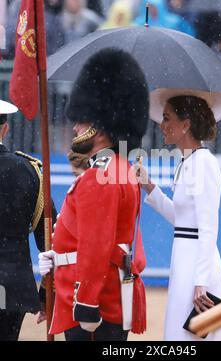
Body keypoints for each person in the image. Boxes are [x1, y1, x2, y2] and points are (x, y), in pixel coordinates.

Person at [38, 48, 149, 341]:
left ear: (99, 126)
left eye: (82, 121)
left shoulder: (102, 175)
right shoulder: (118, 167)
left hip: (92, 306)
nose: (75, 127)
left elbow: (96, 245)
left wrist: (85, 302)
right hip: (104, 295)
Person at [135, 88, 221, 341]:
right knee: (179, 335)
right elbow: (183, 220)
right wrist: (149, 186)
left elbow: (208, 226)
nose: (162, 125)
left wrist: (201, 281)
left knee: (190, 337)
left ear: (185, 124)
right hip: (185, 260)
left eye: (167, 118)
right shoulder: (187, 162)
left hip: (198, 264)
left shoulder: (203, 163)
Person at [0, 99, 56, 341]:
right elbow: (50, 241)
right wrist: (46, 294)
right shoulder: (30, 170)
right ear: (5, 129)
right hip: (13, 286)